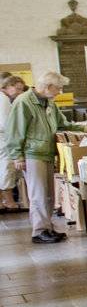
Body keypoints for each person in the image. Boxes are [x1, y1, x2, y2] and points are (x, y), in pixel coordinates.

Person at [3, 71, 87, 243]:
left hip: (47, 152)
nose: (60, 92)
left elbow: (63, 124)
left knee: (48, 195)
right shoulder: (24, 102)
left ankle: (47, 227)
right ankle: (39, 231)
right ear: (48, 87)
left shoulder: (49, 102)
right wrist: (17, 156)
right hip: (32, 154)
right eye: (59, 88)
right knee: (38, 194)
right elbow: (15, 131)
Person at [0, 74, 29, 213]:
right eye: (17, 89)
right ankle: (10, 202)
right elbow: (7, 124)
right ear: (8, 86)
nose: (19, 92)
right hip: (4, 140)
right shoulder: (4, 99)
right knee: (7, 168)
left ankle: (3, 202)